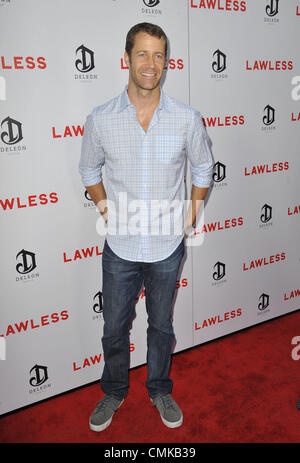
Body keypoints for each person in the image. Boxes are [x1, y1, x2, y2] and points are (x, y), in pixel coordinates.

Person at [79, 22, 213, 432]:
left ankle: (159, 388)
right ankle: (114, 390)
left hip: (166, 249)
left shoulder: (187, 119)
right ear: (127, 58)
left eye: (158, 55)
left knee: (161, 326)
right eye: (142, 54)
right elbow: (88, 169)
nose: (150, 64)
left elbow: (204, 167)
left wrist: (190, 216)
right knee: (115, 327)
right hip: (120, 246)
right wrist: (106, 210)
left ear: (167, 62)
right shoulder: (101, 118)